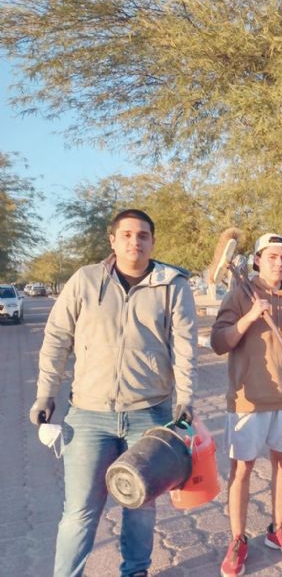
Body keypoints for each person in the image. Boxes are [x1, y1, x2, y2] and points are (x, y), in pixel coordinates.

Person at [29, 209, 197, 577]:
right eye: (126, 235)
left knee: (141, 505)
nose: (134, 242)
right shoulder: (86, 281)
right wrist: (45, 393)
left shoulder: (173, 285)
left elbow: (185, 347)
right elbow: (57, 339)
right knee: (80, 511)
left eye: (143, 235)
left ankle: (135, 571)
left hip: (149, 414)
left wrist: (185, 398)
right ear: (112, 240)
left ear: (153, 241)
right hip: (89, 415)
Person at [211, 233, 282, 573]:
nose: (279, 263)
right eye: (272, 257)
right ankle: (237, 540)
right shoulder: (241, 293)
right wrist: (248, 318)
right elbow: (218, 342)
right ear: (257, 260)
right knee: (242, 469)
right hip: (248, 399)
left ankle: (278, 529)